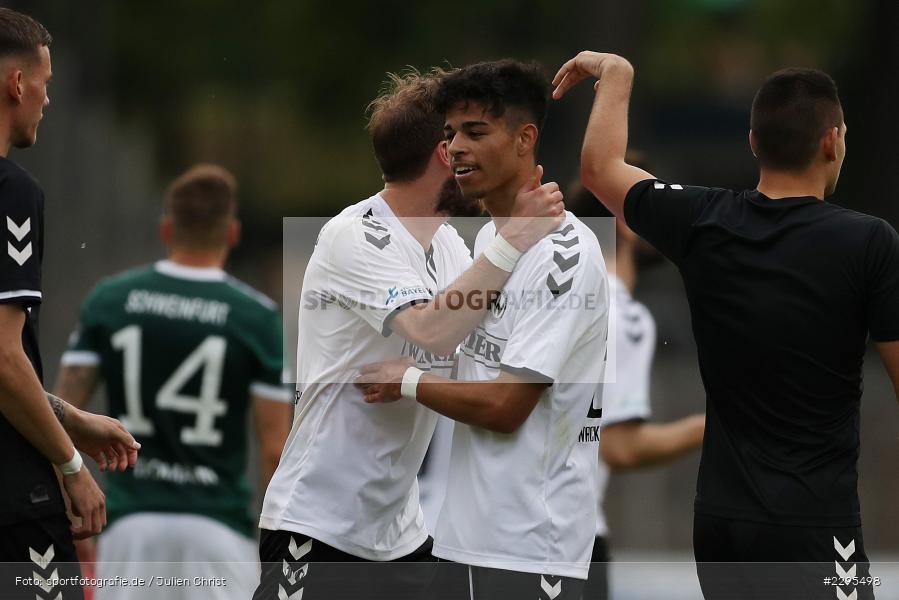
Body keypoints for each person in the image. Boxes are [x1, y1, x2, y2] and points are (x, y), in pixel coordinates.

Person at [553, 51, 899, 599]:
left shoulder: (704, 220)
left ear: (753, 143)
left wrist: (617, 74)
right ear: (832, 141)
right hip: (811, 522)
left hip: (718, 525)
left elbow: (598, 168)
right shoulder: (869, 243)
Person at [254, 69, 564, 600]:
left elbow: (479, 345)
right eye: (459, 137)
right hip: (319, 526)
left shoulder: (447, 245)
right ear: (445, 153)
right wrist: (512, 238)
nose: (468, 152)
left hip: (402, 535)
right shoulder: (353, 235)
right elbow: (432, 330)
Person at [358, 59, 609, 600]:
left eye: (476, 132)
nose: (456, 149)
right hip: (464, 541)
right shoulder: (491, 246)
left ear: (525, 139)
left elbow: (505, 407)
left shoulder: (563, 255)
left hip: (527, 553)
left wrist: (408, 380)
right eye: (449, 135)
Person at [54, 164, 293, 600]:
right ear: (233, 233)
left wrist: (69, 507)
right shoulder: (257, 318)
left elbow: (59, 414)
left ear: (166, 228)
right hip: (219, 530)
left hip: (130, 529)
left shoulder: (111, 300)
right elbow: (275, 450)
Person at [0, 8, 141, 600]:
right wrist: (71, 467)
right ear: (16, 84)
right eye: (45, 83)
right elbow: (4, 362)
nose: (47, 99)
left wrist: (71, 416)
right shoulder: (12, 192)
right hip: (12, 502)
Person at [569, 173, 705, 600]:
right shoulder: (621, 312)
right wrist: (721, 424)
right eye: (653, 206)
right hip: (566, 538)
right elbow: (619, 447)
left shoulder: (557, 297)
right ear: (625, 221)